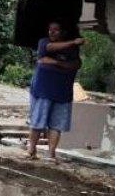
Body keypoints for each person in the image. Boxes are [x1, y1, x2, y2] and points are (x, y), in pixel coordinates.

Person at [27, 20, 84, 161]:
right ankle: (31, 150)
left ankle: (51, 154)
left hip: (63, 93)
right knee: (37, 122)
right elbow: (50, 48)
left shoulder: (72, 49)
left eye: (56, 30)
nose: (51, 32)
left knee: (56, 125)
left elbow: (76, 64)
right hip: (43, 91)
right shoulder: (44, 42)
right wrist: (73, 43)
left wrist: (56, 62)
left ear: (63, 32)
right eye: (50, 30)